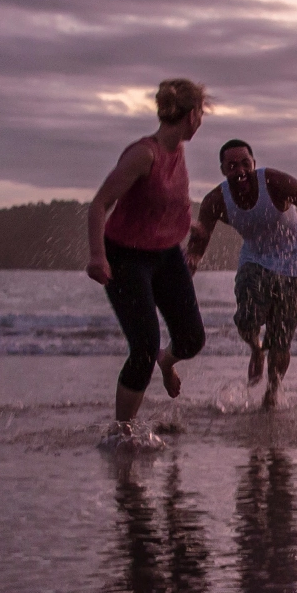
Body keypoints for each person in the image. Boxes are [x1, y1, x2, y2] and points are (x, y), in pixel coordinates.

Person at [85, 78, 210, 434]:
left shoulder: (179, 152)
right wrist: (97, 256)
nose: (201, 120)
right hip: (124, 257)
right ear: (190, 115)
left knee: (191, 339)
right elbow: (99, 204)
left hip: (165, 254)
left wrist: (190, 227)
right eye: (200, 112)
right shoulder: (144, 154)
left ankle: (165, 363)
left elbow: (168, 200)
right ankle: (122, 431)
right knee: (143, 346)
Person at [184, 138, 297, 410]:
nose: (240, 171)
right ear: (223, 171)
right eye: (232, 166)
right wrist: (187, 270)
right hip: (254, 259)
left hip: (292, 260)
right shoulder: (216, 201)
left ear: (254, 164)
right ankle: (256, 350)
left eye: (245, 163)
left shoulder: (274, 183)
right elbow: (196, 247)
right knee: (246, 321)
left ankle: (273, 390)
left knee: (282, 336)